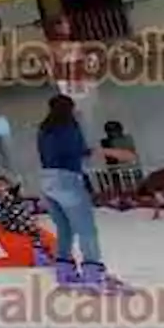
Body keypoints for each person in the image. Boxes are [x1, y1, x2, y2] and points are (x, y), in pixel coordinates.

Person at [37, 94, 134, 290]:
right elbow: (78, 150)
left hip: (47, 179)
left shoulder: (43, 130)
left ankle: (65, 272)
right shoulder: (69, 126)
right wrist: (112, 152)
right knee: (86, 229)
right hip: (67, 179)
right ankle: (93, 274)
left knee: (65, 229)